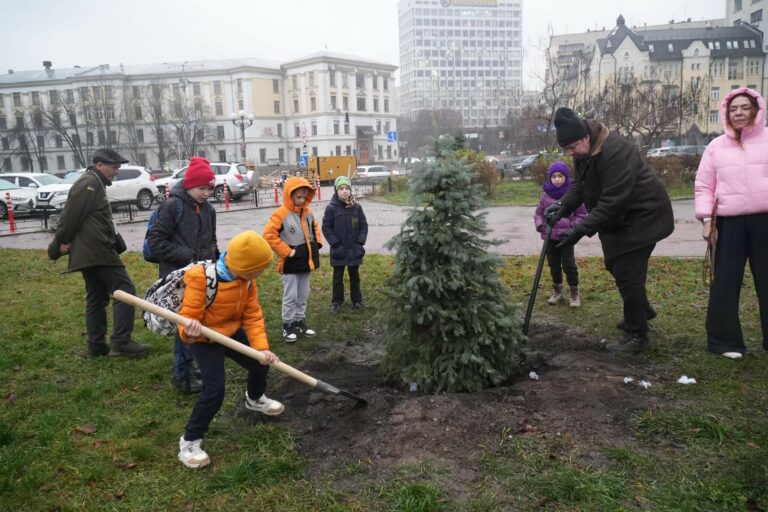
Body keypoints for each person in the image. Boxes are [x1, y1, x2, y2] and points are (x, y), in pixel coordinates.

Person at [547, 108, 674, 354]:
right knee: (615, 265)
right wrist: (562, 206)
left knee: (628, 273)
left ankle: (637, 335)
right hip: (621, 219)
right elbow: (581, 187)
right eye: (567, 150)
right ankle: (640, 311)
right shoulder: (584, 151)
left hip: (644, 217)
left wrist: (578, 230)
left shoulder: (616, 149)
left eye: (572, 147)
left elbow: (612, 200)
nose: (571, 153)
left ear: (586, 136)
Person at [176, 231, 283, 469]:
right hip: (205, 339)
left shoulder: (246, 280)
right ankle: (190, 441)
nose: (260, 274)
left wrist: (261, 349)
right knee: (215, 391)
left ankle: (254, 399)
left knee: (259, 364)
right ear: (244, 266)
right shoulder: (200, 279)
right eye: (258, 270)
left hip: (231, 332)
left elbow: (253, 315)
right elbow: (186, 320)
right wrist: (189, 330)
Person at [47, 149, 152, 358]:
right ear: (99, 164)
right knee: (125, 289)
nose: (116, 172)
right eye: (114, 168)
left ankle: (97, 346)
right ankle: (121, 342)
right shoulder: (90, 183)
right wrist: (56, 246)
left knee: (97, 296)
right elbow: (69, 217)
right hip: (97, 250)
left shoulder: (94, 182)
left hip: (91, 251)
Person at [694, 87, 768, 359]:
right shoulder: (715, 147)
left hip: (765, 221)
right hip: (728, 223)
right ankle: (725, 341)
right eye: (733, 109)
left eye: (744, 108)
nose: (738, 113)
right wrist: (705, 220)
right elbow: (704, 185)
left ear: (756, 111)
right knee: (724, 281)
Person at [146, 156, 219, 393]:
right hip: (179, 277)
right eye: (202, 188)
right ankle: (182, 374)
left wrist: (215, 261)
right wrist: (188, 256)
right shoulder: (172, 207)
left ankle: (191, 365)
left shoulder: (209, 210)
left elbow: (211, 239)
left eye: (209, 188)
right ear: (188, 185)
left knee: (198, 322)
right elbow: (155, 241)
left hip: (203, 275)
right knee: (186, 324)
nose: (206, 193)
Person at [263, 176, 323, 343]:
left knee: (303, 294)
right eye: (299, 197)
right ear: (290, 195)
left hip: (306, 262)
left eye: (305, 196)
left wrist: (316, 243)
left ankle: (299, 320)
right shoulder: (280, 214)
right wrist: (287, 252)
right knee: (291, 295)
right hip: (290, 264)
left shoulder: (307, 213)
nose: (302, 200)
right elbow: (269, 235)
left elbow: (315, 227)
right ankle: (287, 324)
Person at [534, 161, 587, 307]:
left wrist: (573, 226)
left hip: (566, 237)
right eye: (554, 176)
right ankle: (557, 291)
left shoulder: (573, 194)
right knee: (553, 264)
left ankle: (574, 293)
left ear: (566, 176)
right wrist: (540, 225)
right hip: (550, 237)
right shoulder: (546, 195)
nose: (557, 179)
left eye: (560, 176)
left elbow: (582, 214)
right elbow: (539, 213)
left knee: (569, 265)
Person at [322, 176, 369, 312]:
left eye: (347, 188)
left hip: (354, 249)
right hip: (339, 249)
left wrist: (360, 242)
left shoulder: (357, 207)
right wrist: (335, 244)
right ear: (336, 190)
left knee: (354, 276)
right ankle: (337, 301)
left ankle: (357, 300)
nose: (344, 191)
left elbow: (364, 226)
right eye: (341, 189)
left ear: (350, 190)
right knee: (338, 277)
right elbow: (326, 227)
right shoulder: (331, 208)